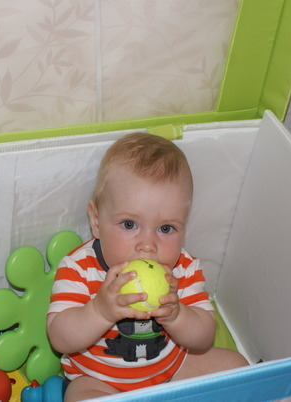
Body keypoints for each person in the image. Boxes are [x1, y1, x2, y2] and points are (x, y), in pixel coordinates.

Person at [46, 132, 248, 401]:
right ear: (96, 221)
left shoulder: (183, 269)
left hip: (172, 370)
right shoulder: (79, 268)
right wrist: (99, 311)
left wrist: (177, 315)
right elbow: (60, 337)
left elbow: (204, 336)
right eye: (129, 224)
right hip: (98, 381)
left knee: (238, 368)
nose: (148, 246)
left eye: (166, 228)